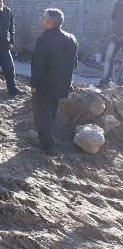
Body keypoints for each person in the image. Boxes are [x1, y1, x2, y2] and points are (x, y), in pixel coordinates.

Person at [31, 9, 78, 155]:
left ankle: (48, 146)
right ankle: (50, 140)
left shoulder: (44, 39)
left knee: (42, 115)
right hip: (61, 84)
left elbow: (38, 64)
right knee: (51, 114)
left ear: (49, 22)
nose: (41, 20)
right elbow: (74, 63)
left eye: (43, 18)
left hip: (44, 84)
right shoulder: (72, 38)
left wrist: (33, 84)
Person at [98, 0, 123, 87]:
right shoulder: (119, 2)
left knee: (109, 59)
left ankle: (120, 82)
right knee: (108, 58)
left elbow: (113, 17)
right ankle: (105, 80)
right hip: (115, 35)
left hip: (117, 34)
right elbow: (112, 17)